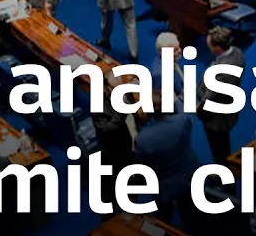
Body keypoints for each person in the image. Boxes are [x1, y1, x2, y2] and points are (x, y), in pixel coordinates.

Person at [134, 86, 199, 223]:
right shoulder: (182, 121)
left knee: (163, 218)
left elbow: (143, 166)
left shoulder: (142, 139)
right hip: (188, 174)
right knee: (191, 216)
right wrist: (175, 100)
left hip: (164, 185)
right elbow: (183, 113)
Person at [198, 28, 245, 164]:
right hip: (229, 104)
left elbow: (209, 99)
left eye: (209, 44)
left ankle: (223, 171)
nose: (207, 46)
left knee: (218, 148)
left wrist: (199, 110)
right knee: (224, 142)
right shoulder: (237, 52)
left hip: (217, 118)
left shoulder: (222, 73)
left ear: (218, 48)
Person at [91, 70, 134, 214]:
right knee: (109, 190)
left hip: (126, 143)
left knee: (129, 185)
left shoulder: (124, 93)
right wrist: (121, 113)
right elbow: (106, 129)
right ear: (106, 86)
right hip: (109, 151)